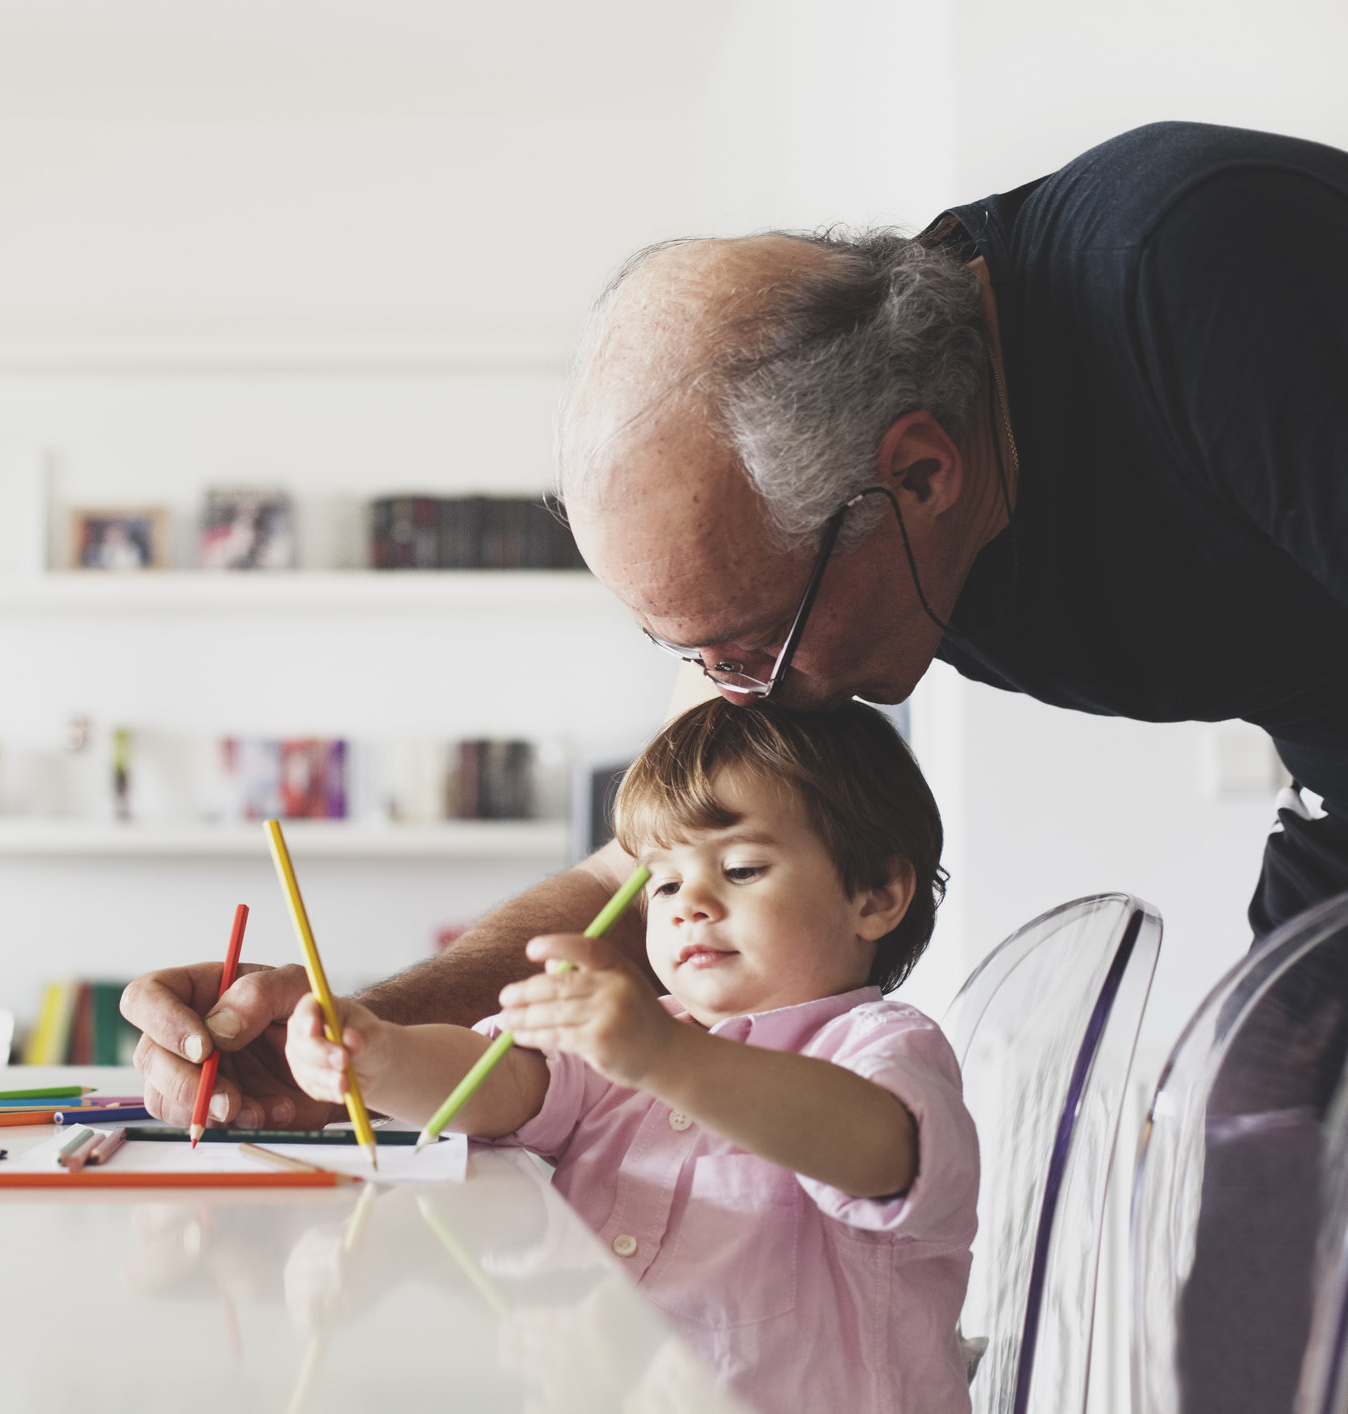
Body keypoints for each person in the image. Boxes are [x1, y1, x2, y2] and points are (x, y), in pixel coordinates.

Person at [122, 119, 1348, 1134]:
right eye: (692, 651)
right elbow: (632, 871)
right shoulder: (830, 522)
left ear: (920, 475)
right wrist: (339, 1035)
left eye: (752, 639)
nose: (741, 695)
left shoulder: (1209, 280)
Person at [285, 699, 975, 1414]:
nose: (689, 903)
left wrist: (662, 1058)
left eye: (740, 869)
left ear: (876, 896)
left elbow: (880, 1153)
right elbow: (500, 1082)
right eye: (665, 882)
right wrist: (380, 1054)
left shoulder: (881, 1045)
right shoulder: (634, 1037)